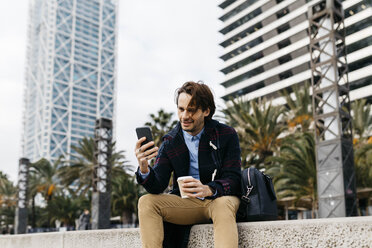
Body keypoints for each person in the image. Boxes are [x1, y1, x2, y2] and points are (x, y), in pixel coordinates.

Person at [135, 81, 242, 248]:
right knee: (146, 202)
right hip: (188, 204)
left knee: (222, 205)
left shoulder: (226, 134)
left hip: (220, 199)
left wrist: (209, 189)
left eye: (191, 110)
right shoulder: (171, 141)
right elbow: (157, 186)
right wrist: (144, 168)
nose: (184, 116)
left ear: (206, 111)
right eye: (181, 109)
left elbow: (234, 178)